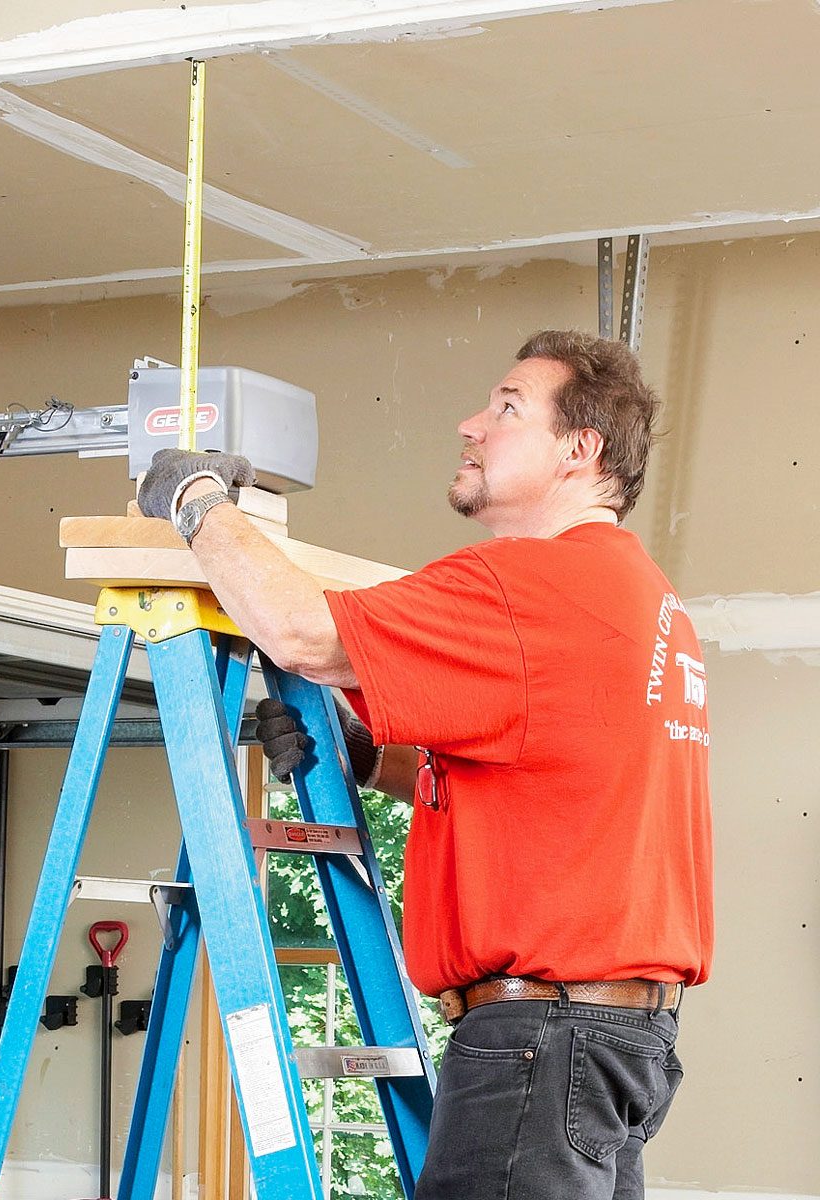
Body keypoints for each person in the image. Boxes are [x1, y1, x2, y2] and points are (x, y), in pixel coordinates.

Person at [137, 330, 713, 1200]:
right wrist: (370, 756)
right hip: (609, 1042)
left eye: (508, 407)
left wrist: (197, 500)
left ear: (580, 450)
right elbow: (539, 786)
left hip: (544, 1042)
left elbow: (297, 628)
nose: (472, 424)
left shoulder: (534, 584)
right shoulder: (636, 597)